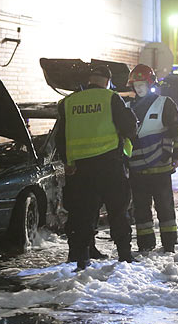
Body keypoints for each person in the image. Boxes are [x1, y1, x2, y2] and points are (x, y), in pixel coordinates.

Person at [55, 65, 138, 270]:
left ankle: (80, 257)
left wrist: (68, 162)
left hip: (81, 170)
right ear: (107, 81)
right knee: (117, 212)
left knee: (82, 214)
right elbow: (130, 128)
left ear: (90, 80)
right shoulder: (111, 98)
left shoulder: (68, 102)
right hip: (109, 165)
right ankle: (124, 256)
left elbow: (60, 137)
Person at [126, 64, 178, 253]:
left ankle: (169, 243)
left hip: (160, 166)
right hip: (137, 170)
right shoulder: (127, 107)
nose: (139, 88)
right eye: (136, 84)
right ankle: (145, 244)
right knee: (141, 209)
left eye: (142, 84)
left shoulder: (164, 103)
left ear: (151, 84)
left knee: (165, 208)